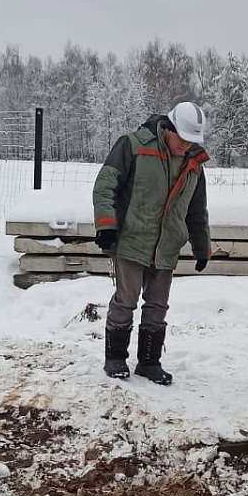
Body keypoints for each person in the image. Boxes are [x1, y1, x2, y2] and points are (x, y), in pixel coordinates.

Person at [92, 101, 211, 385]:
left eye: (192, 140)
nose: (186, 145)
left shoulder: (194, 163)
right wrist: (106, 225)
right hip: (133, 239)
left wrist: (201, 245)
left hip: (167, 245)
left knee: (158, 306)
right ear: (168, 128)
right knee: (126, 300)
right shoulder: (133, 146)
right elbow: (105, 184)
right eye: (183, 138)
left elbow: (196, 208)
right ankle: (116, 358)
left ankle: (149, 362)